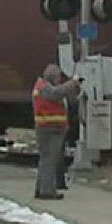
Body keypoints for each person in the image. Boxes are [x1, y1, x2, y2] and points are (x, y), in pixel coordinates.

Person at [33, 63, 81, 200]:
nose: (59, 80)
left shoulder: (41, 86)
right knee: (49, 160)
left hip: (49, 128)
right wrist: (71, 83)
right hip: (50, 128)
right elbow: (56, 93)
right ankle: (47, 191)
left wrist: (74, 87)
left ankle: (41, 188)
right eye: (57, 77)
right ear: (51, 76)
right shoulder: (44, 87)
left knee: (45, 159)